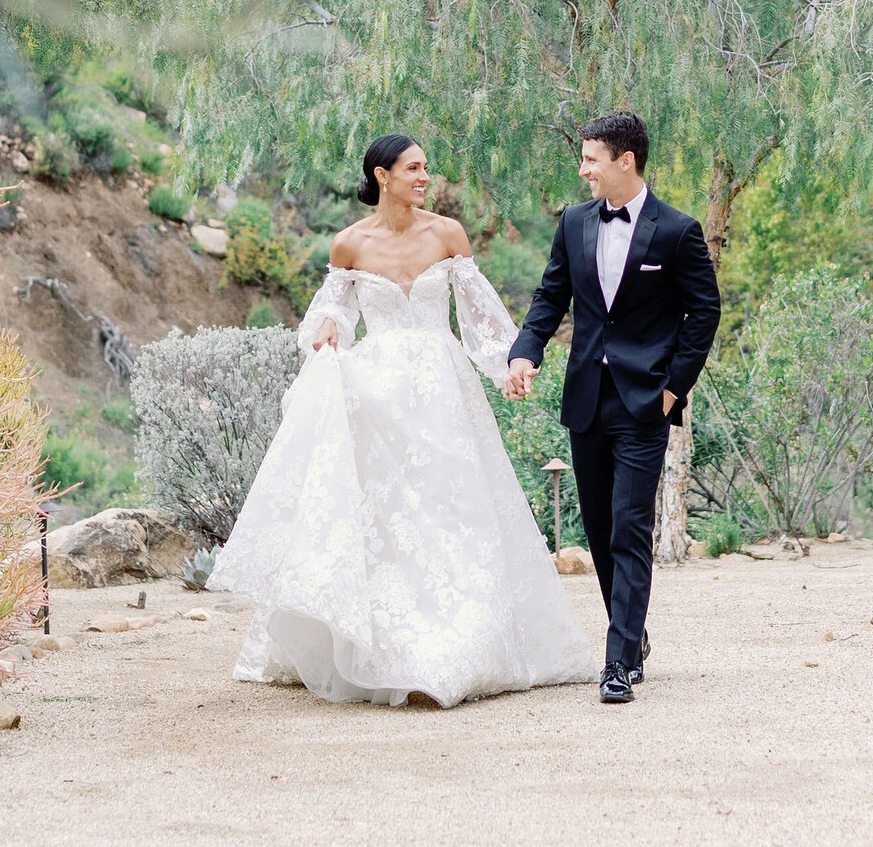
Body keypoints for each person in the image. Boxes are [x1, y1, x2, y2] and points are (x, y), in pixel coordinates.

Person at [208, 135, 597, 707]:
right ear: (381, 175)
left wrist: (508, 366)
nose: (424, 178)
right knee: (388, 519)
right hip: (378, 394)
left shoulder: (446, 234)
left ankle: (464, 644)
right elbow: (332, 311)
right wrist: (327, 331)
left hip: (444, 389)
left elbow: (479, 315)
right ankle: (382, 648)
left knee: (454, 509)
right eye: (413, 169)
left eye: (425, 169)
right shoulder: (349, 244)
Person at [506, 111, 721, 704]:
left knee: (630, 527)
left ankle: (618, 660)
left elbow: (703, 313)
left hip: (646, 401)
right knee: (599, 529)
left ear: (625, 161)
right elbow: (551, 297)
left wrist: (675, 386)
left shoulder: (677, 231)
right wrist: (525, 355)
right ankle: (634, 635)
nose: (582, 171)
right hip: (586, 399)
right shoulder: (574, 223)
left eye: (591, 160)